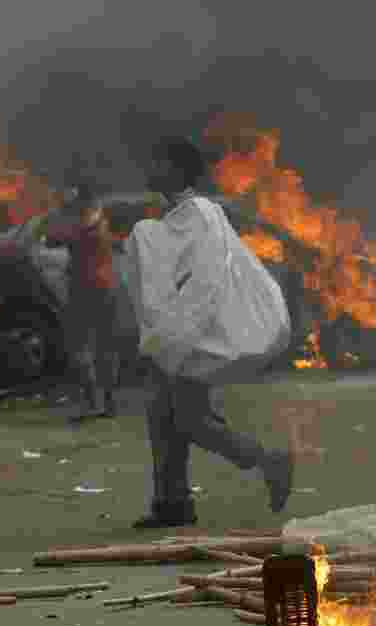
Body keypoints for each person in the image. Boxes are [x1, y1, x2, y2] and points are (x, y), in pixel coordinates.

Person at [129, 136, 293, 528]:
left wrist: (179, 334)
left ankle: (267, 460)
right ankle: (172, 502)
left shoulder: (200, 213)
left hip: (191, 336)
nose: (150, 169)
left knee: (190, 420)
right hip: (175, 333)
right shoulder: (175, 217)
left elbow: (207, 281)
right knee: (163, 416)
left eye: (158, 161)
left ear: (176, 169)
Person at [47, 184, 121, 422]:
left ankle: (94, 402)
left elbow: (54, 238)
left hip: (86, 290)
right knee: (104, 347)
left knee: (81, 347)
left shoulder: (85, 227)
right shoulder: (100, 223)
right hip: (105, 288)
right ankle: (107, 403)